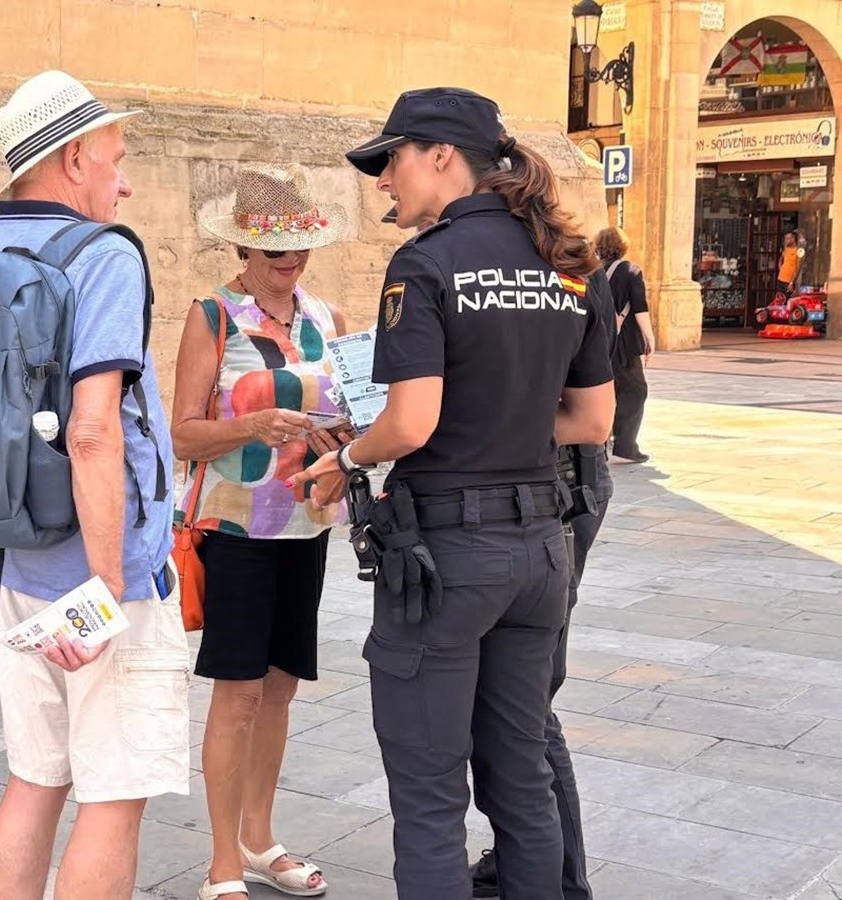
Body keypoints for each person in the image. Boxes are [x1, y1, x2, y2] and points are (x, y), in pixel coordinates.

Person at [290, 87, 615, 900]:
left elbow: (409, 424)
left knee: (431, 796)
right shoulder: (569, 262)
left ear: (441, 156)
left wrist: (346, 458)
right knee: (521, 781)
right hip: (540, 555)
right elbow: (592, 420)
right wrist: (504, 414)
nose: (382, 180)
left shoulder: (427, 263)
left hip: (448, 559)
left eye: (391, 159)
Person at [0, 70, 189, 900]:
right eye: (117, 159)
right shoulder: (103, 254)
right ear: (74, 159)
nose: (125, 182)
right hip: (104, 570)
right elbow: (92, 430)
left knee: (34, 778)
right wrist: (109, 583)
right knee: (113, 797)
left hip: (17, 556)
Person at [171, 163, 350, 900]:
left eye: (300, 245)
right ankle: (222, 861)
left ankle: (259, 838)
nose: (290, 258)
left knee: (280, 689)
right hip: (236, 527)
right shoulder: (213, 315)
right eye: (274, 247)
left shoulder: (328, 317)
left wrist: (343, 446)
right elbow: (183, 434)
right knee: (238, 692)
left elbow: (350, 414)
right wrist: (252, 425)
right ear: (243, 247)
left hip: (307, 523)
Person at [468, 267, 618, 900]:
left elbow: (591, 417)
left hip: (551, 488)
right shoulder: (550, 264)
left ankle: (559, 879)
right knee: (511, 700)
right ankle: (524, 854)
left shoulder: (556, 270)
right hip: (544, 487)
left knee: (525, 705)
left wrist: (456, 417)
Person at [594, 227, 653, 464]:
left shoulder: (592, 272)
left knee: (603, 390)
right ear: (623, 246)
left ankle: (599, 443)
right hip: (624, 345)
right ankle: (626, 444)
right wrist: (650, 338)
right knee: (635, 390)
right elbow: (639, 308)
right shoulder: (631, 271)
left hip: (597, 342)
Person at [777, 230, 802, 295]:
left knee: (787, 297)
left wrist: (791, 282)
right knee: (780, 297)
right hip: (781, 278)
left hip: (789, 280)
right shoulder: (786, 249)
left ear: (793, 239)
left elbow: (798, 268)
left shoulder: (798, 250)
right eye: (785, 239)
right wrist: (781, 269)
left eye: (788, 239)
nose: (786, 241)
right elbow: (780, 259)